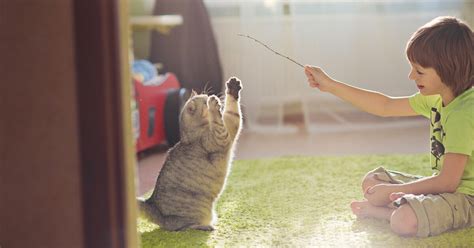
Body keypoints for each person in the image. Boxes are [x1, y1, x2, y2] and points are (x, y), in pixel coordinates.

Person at [304, 16, 473, 237]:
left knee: (405, 221)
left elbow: (448, 182)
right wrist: (330, 85)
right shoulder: (437, 97)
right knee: (372, 181)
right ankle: (400, 206)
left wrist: (395, 190)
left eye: (419, 71)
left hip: (467, 198)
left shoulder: (464, 113)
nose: (411, 76)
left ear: (448, 69)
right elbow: (385, 105)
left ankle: (387, 213)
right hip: (445, 191)